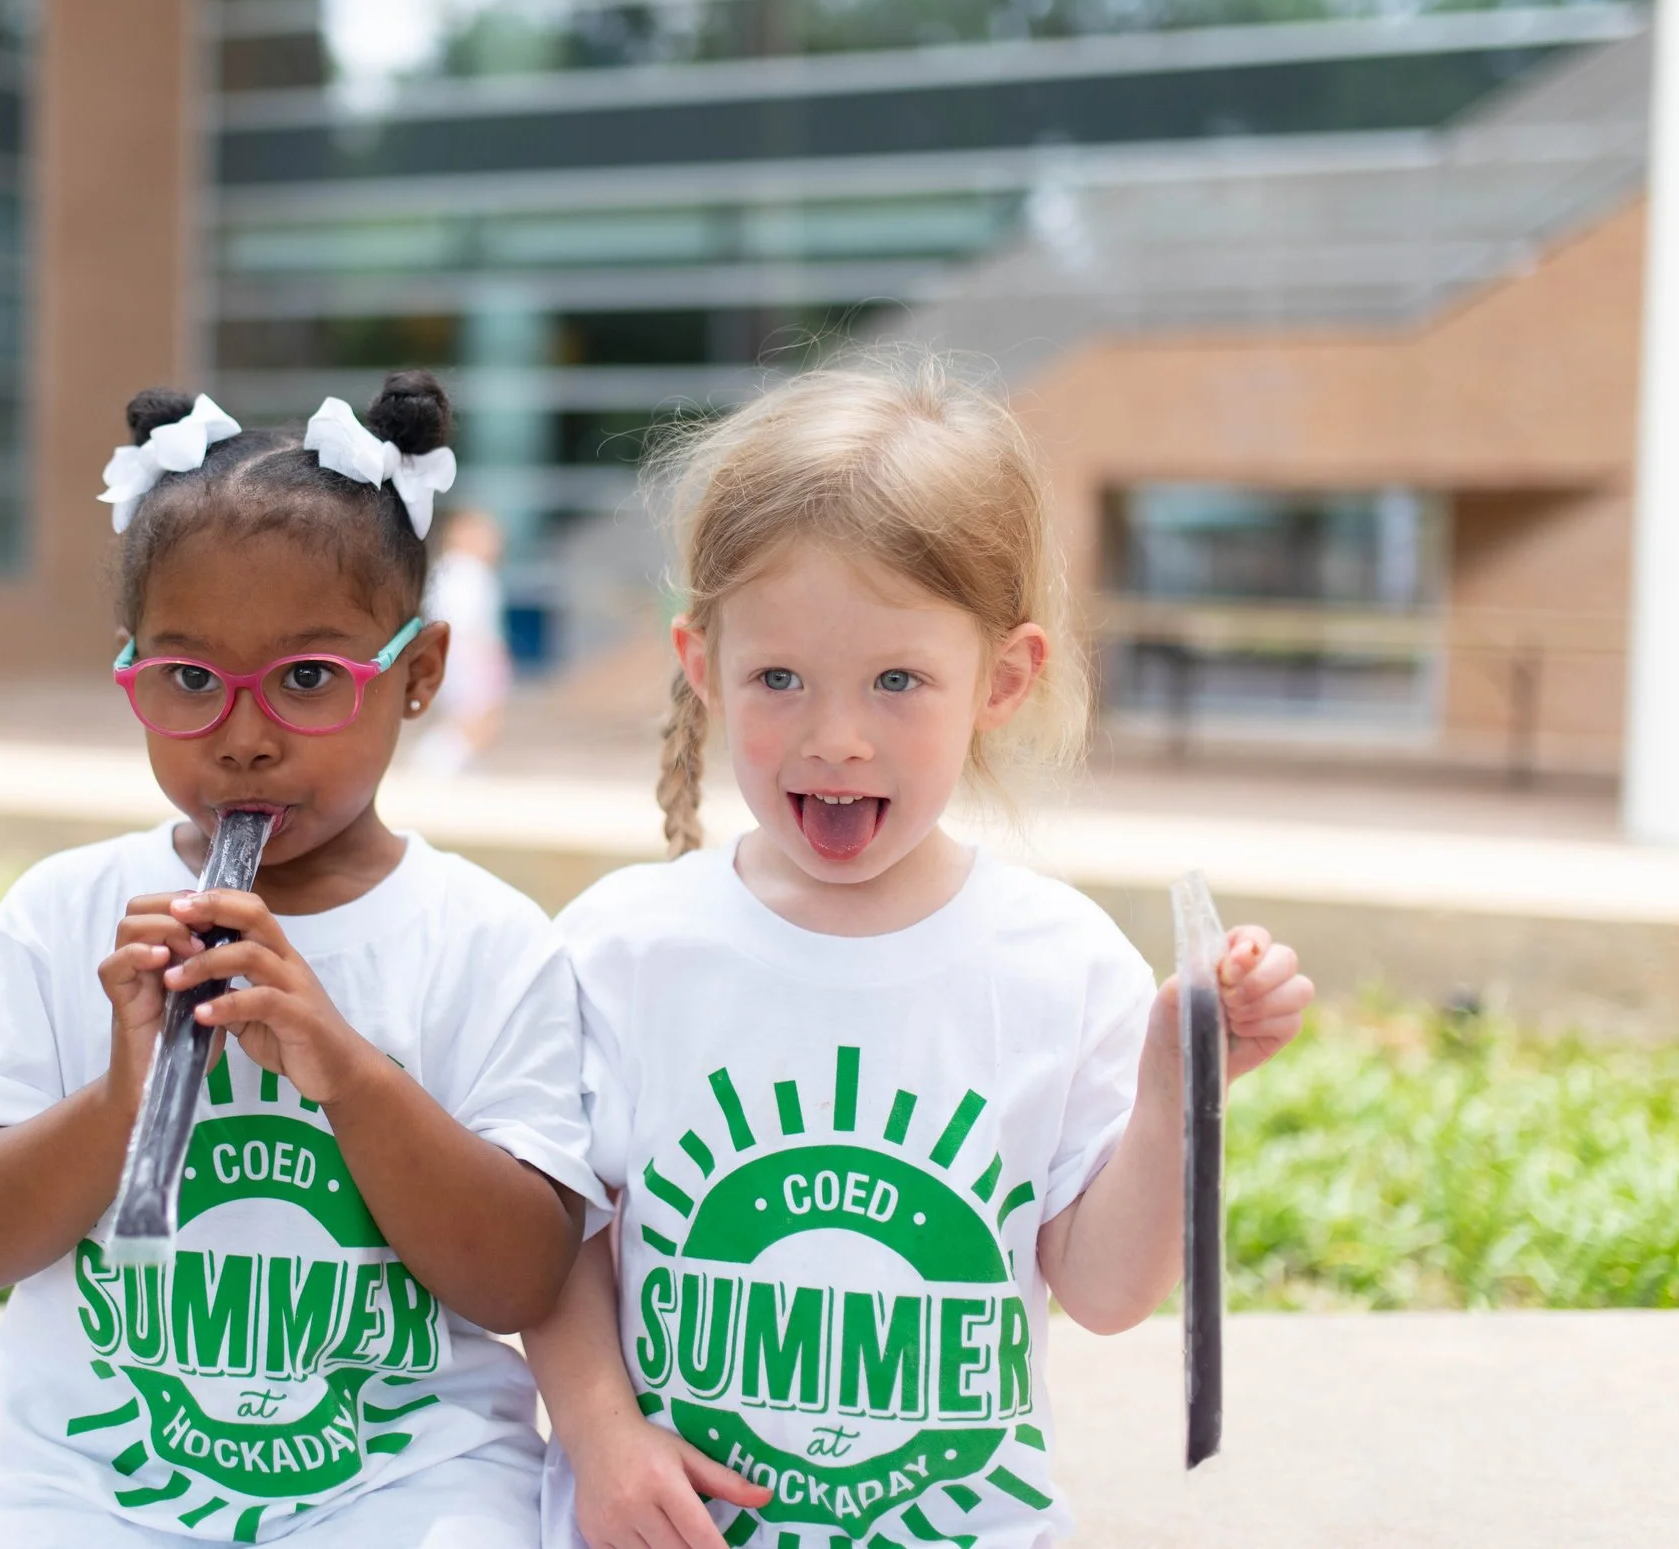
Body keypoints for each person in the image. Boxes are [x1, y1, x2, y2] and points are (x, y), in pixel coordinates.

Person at [521, 352, 1316, 1549]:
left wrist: (1175, 1083)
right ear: (702, 665)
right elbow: (554, 1239)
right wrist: (597, 1430)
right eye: (778, 676)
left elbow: (1103, 1293)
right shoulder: (623, 948)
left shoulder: (1060, 965)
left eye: (898, 680)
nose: (836, 737)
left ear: (1003, 679)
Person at [0, 370, 602, 1548]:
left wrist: (348, 1069)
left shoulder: (485, 941)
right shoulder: (63, 912)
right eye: (187, 680)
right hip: (89, 1481)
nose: (245, 735)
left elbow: (519, 1277)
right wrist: (122, 1096)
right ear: (129, 672)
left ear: (417, 675)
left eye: (311, 679)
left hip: (406, 1481)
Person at [409, 509, 511, 777]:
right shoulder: (465, 571)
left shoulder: (460, 570)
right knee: (474, 715)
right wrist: (477, 655)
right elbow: (462, 621)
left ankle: (449, 762)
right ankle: (436, 762)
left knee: (478, 715)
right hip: (467, 654)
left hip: (465, 652)